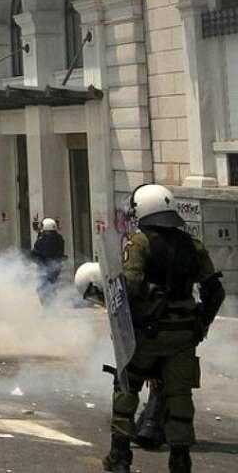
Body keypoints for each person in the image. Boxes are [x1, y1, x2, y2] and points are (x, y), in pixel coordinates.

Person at [103, 184, 225, 473]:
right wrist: (200, 324)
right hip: (183, 335)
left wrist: (124, 325)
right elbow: (215, 291)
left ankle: (120, 456)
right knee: (180, 397)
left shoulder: (140, 242)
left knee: (126, 388)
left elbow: (129, 286)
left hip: (147, 333)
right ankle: (180, 459)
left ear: (143, 210)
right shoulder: (192, 244)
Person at [30, 217, 66, 304]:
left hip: (45, 266)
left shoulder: (43, 238)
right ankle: (51, 305)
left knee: (42, 287)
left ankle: (48, 307)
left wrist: (32, 256)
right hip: (56, 267)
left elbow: (36, 252)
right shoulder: (59, 237)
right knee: (51, 286)